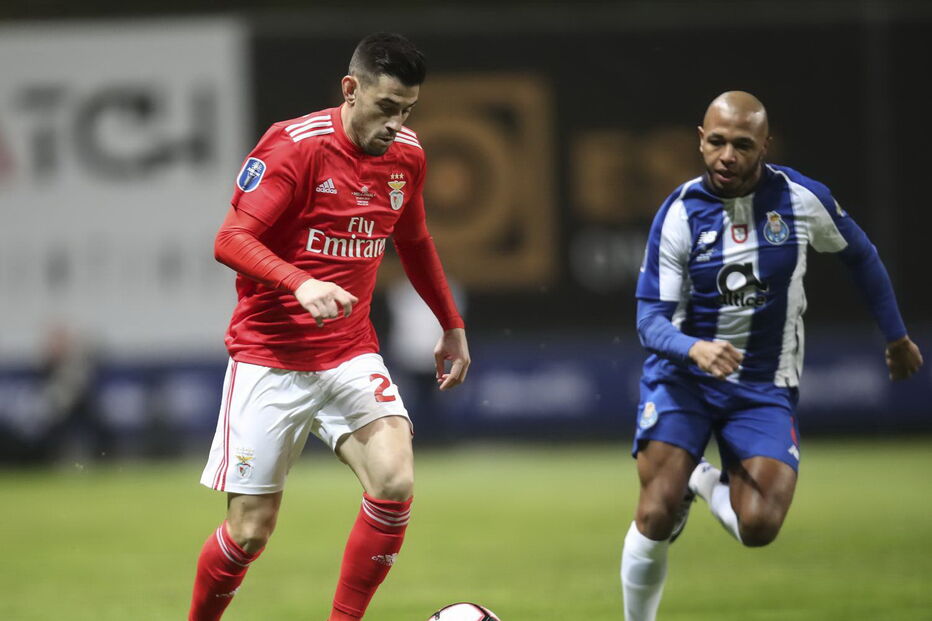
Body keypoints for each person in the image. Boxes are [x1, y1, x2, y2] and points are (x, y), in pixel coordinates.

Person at [187, 33, 470, 621]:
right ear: (351, 89)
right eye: (387, 107)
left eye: (408, 110)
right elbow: (229, 239)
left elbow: (414, 241)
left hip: (349, 353)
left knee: (394, 480)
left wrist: (451, 324)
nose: (397, 123)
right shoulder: (294, 147)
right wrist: (299, 282)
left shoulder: (407, 156)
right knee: (250, 533)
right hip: (269, 358)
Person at [620, 91, 923, 621]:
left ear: (765, 144)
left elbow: (862, 258)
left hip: (762, 385)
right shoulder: (679, 213)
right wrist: (695, 348)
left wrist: (896, 337)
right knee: (655, 513)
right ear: (700, 138)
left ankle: (701, 479)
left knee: (758, 527)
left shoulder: (803, 200)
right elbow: (649, 320)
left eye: (741, 145)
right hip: (683, 378)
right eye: (715, 142)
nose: (726, 157)